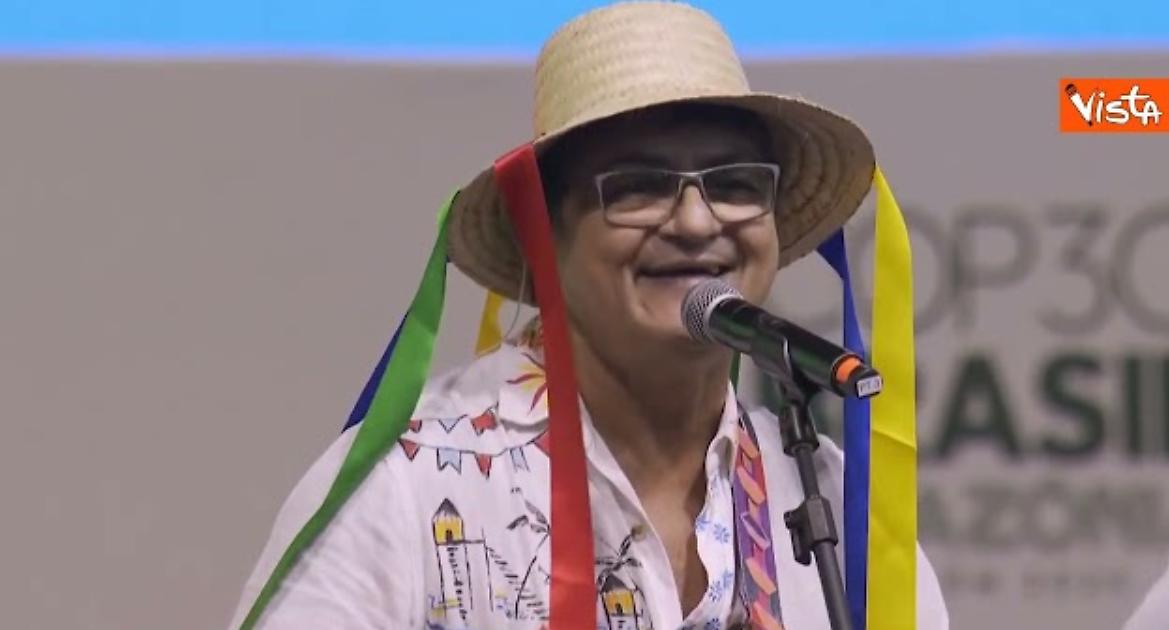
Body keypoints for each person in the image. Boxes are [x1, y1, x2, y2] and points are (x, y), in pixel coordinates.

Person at [229, 2, 949, 628]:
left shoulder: (833, 498)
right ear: (545, 235)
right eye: (638, 187)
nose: (697, 223)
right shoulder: (409, 484)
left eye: (734, 184)